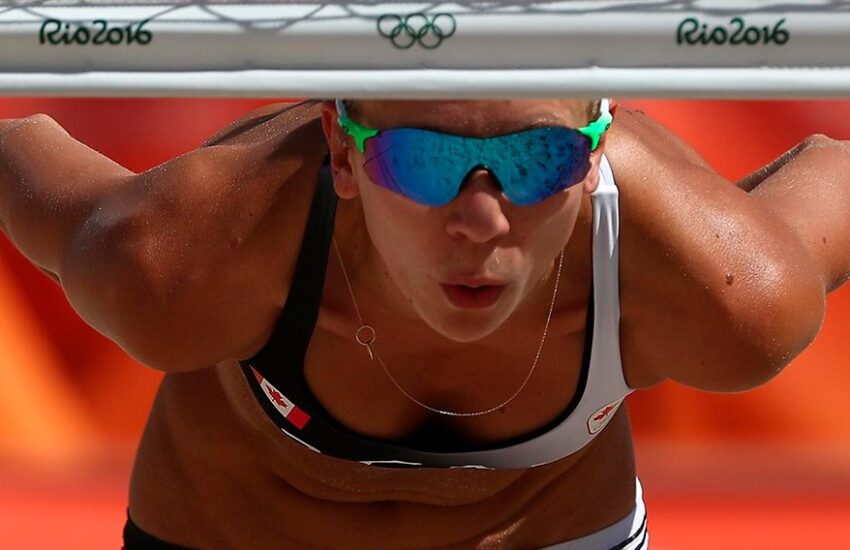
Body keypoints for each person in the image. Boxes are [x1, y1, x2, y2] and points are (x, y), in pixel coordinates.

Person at [0, 96, 848, 549]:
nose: (481, 222)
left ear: (592, 157)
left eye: (535, 160)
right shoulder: (175, 261)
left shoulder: (730, 291)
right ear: (343, 153)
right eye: (424, 161)